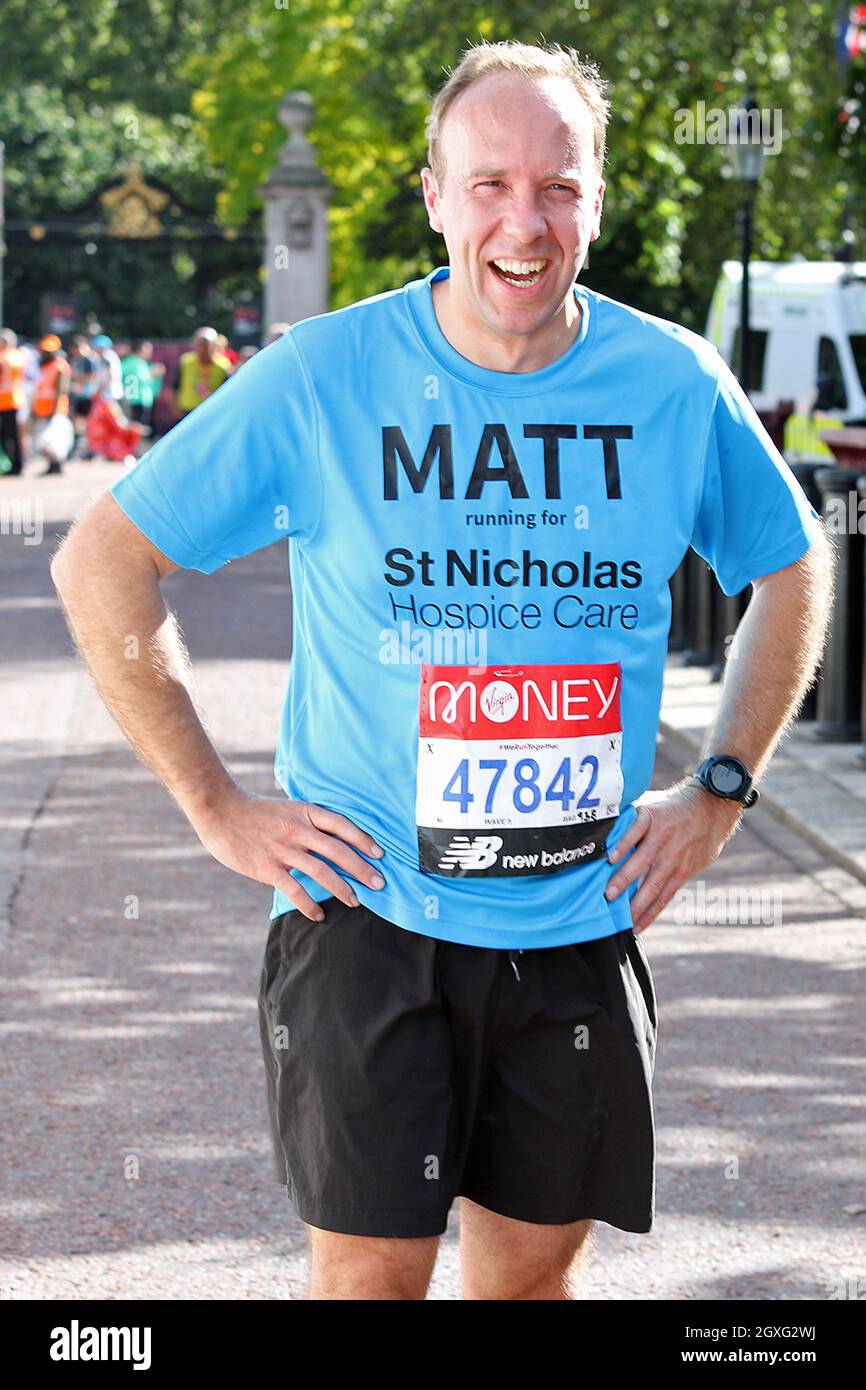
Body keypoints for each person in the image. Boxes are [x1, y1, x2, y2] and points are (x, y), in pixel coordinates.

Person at [51, 39, 832, 1301]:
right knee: (370, 1285)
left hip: (577, 925)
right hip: (366, 919)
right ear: (432, 196)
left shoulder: (669, 381)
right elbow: (101, 560)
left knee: (525, 1286)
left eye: (558, 186)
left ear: (594, 196)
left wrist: (723, 788)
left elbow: (793, 565)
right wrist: (214, 805)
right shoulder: (325, 376)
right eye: (488, 185)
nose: (524, 222)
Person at [31, 335, 73, 476]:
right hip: (43, 409)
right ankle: (52, 466)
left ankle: (58, 465)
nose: (45, 353)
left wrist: (54, 411)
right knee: (46, 441)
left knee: (53, 440)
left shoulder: (60, 366)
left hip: (55, 410)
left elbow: (61, 390)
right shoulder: (46, 366)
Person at [168, 327, 231, 418]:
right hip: (186, 412)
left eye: (207, 344)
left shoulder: (224, 365)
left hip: (212, 413)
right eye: (200, 344)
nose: (203, 348)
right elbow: (173, 388)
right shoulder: (185, 362)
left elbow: (227, 392)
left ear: (214, 345)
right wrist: (175, 409)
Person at [68, 336, 100, 458]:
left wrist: (76, 378)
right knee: (78, 421)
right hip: (80, 395)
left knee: (87, 422)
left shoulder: (89, 359)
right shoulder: (78, 359)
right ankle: (79, 447)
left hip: (88, 395)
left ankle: (89, 449)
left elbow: (91, 376)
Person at [121, 340, 163, 431]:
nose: (150, 352)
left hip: (135, 400)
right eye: (147, 349)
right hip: (137, 401)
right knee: (138, 429)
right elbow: (143, 379)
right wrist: (154, 373)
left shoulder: (136, 362)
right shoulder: (136, 363)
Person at [0, 329, 26, 476]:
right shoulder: (18, 356)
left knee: (6, 436)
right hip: (16, 399)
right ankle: (18, 464)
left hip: (4, 401)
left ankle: (13, 465)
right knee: (15, 435)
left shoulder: (2, 358)